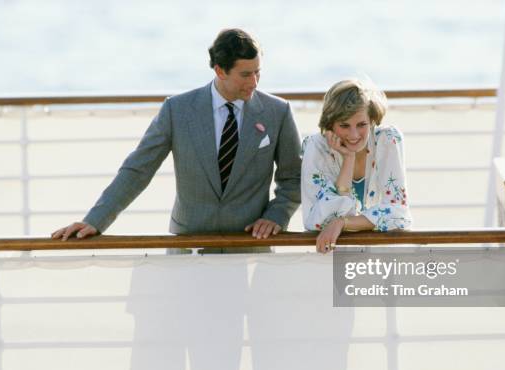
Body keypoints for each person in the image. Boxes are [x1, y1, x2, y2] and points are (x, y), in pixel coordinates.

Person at [51, 28, 301, 243]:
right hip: (187, 245)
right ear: (220, 70)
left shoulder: (277, 112)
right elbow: (138, 170)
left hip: (250, 246)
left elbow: (293, 178)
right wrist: (95, 221)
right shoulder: (177, 110)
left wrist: (275, 217)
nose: (255, 82)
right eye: (246, 74)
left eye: (258, 72)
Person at [301, 79, 412, 253]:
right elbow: (319, 220)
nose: (354, 135)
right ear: (330, 125)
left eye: (361, 125)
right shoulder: (316, 147)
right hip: (330, 256)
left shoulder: (388, 139)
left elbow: (399, 214)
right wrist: (349, 158)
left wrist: (342, 223)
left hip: (382, 255)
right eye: (344, 125)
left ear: (372, 120)